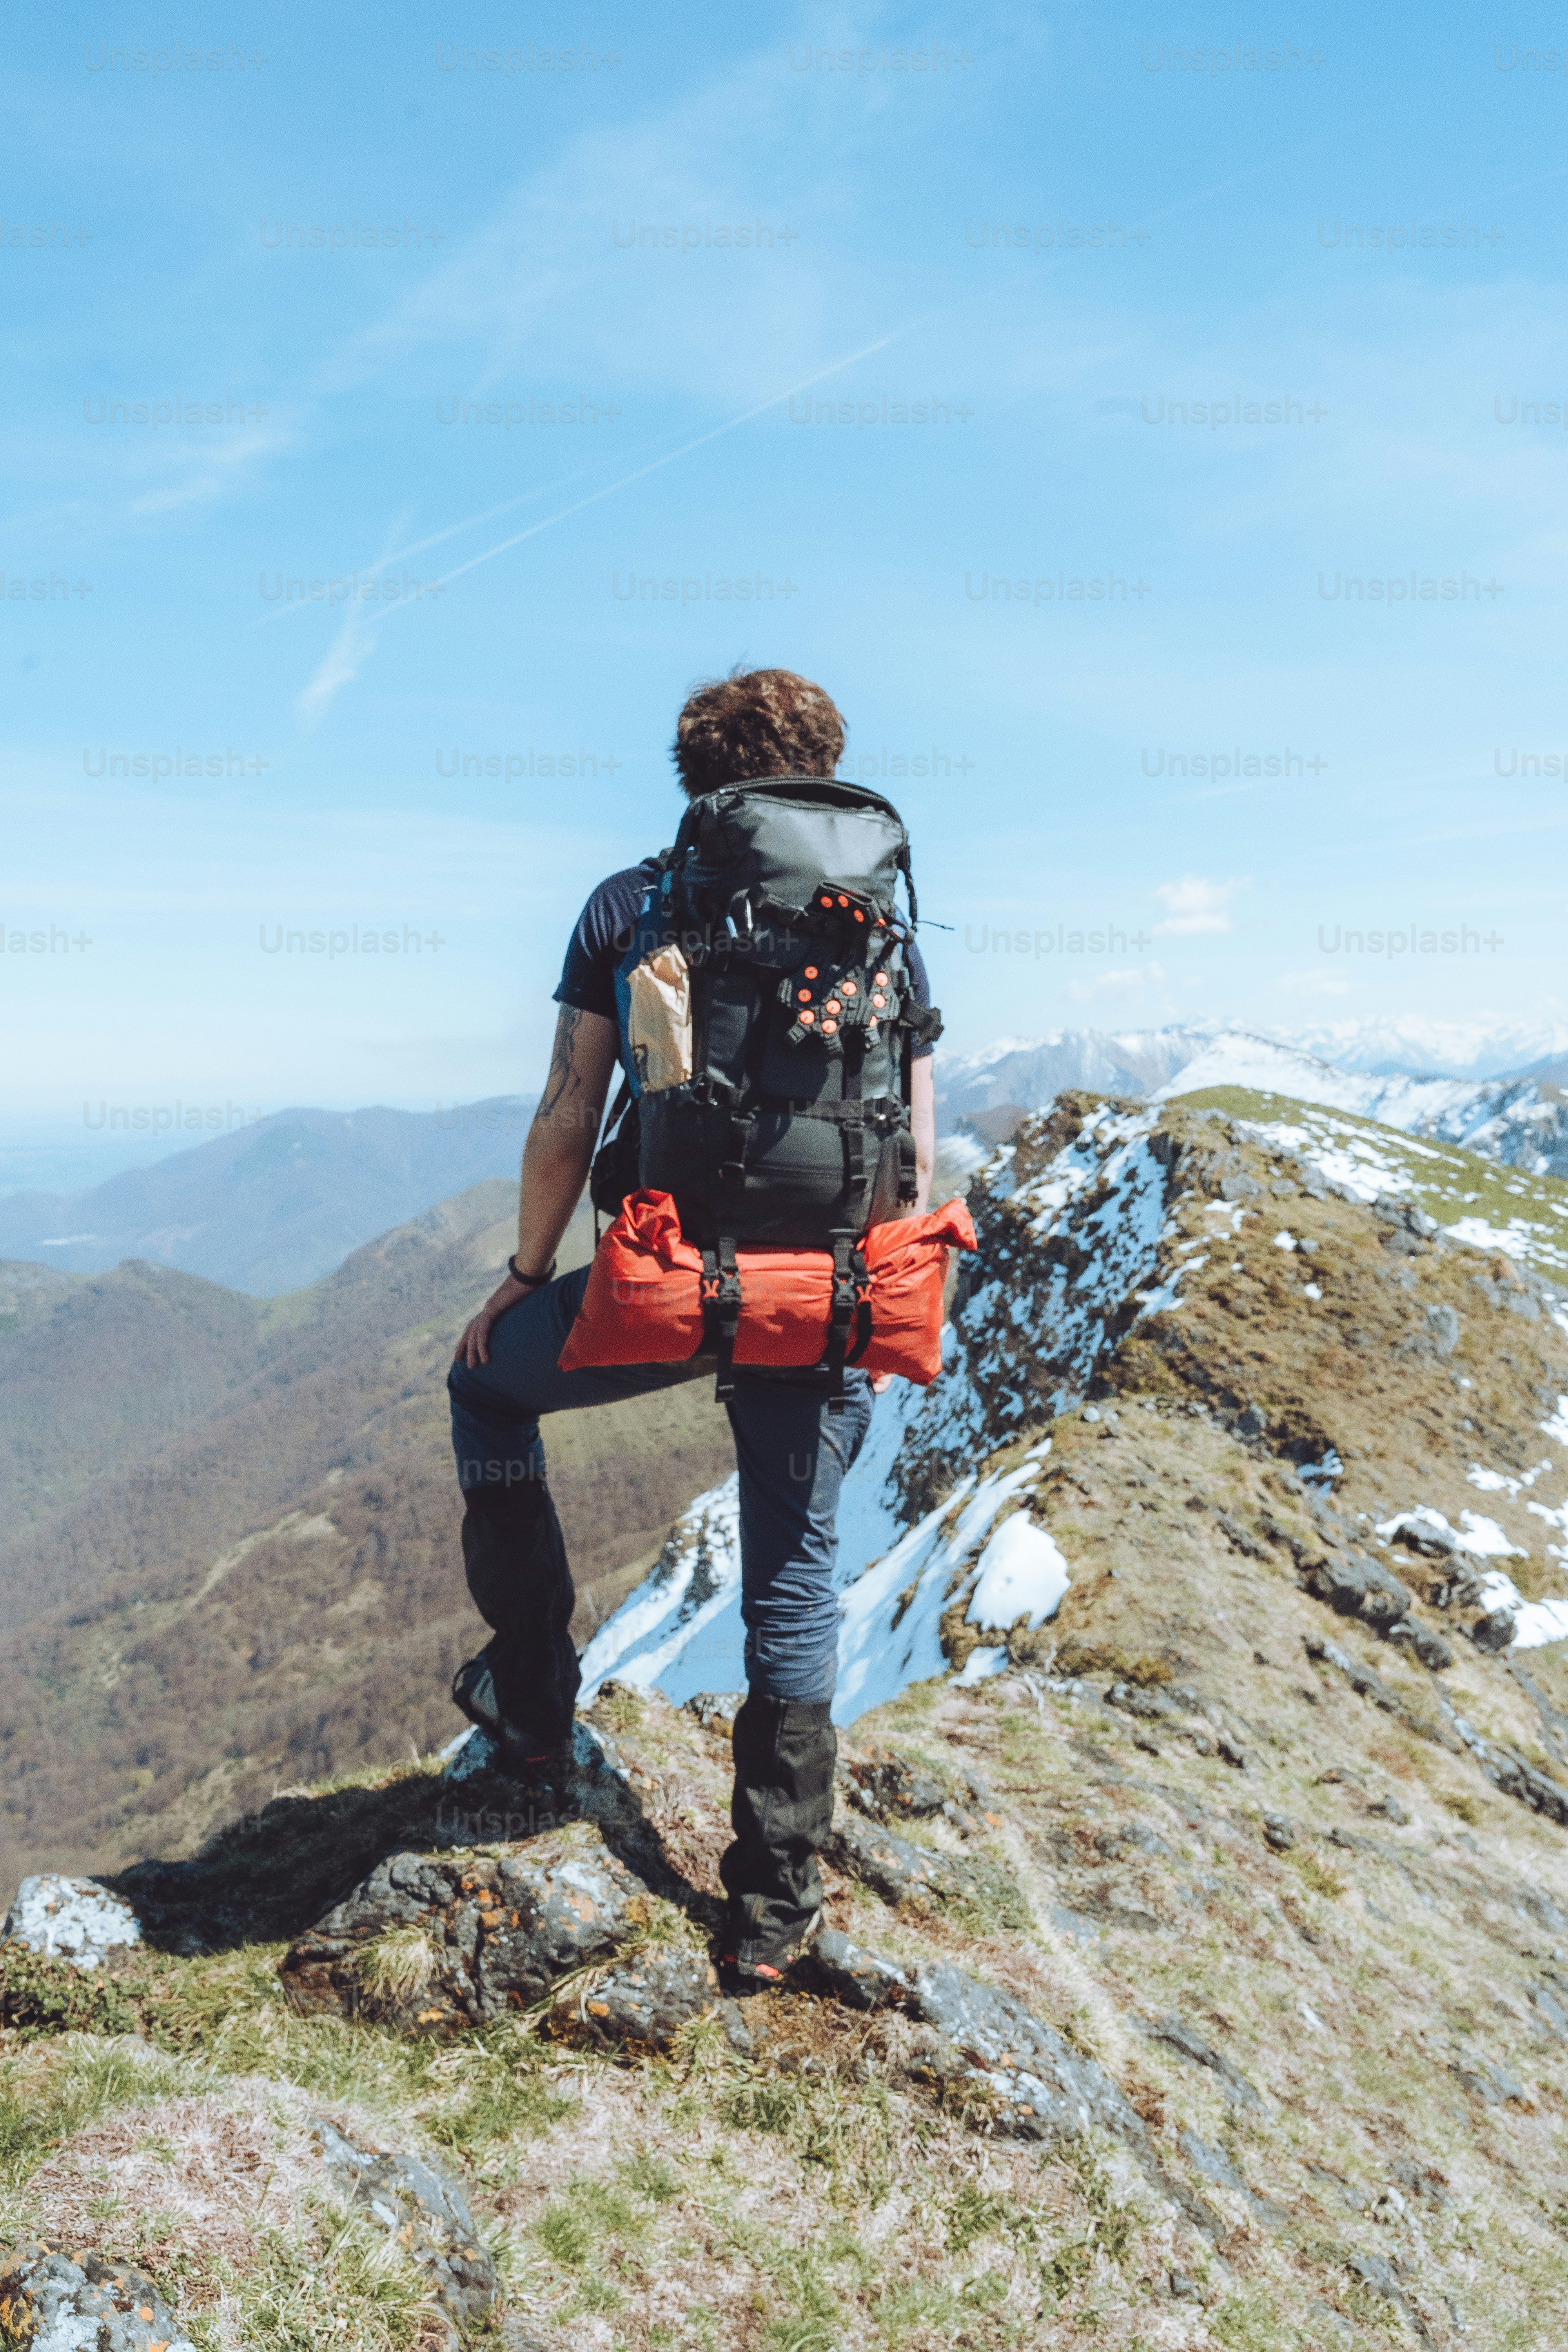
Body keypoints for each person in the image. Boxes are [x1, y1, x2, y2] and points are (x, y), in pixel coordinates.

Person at [447, 666, 935, 1988]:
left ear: (694, 778)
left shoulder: (631, 901)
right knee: (794, 1566)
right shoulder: (878, 910)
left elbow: (566, 1108)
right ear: (826, 768)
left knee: (485, 1389)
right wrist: (863, 1282)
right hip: (824, 1294)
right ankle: (773, 1912)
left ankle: (536, 1714)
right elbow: (917, 1141)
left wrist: (521, 1272)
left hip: (668, 1284)